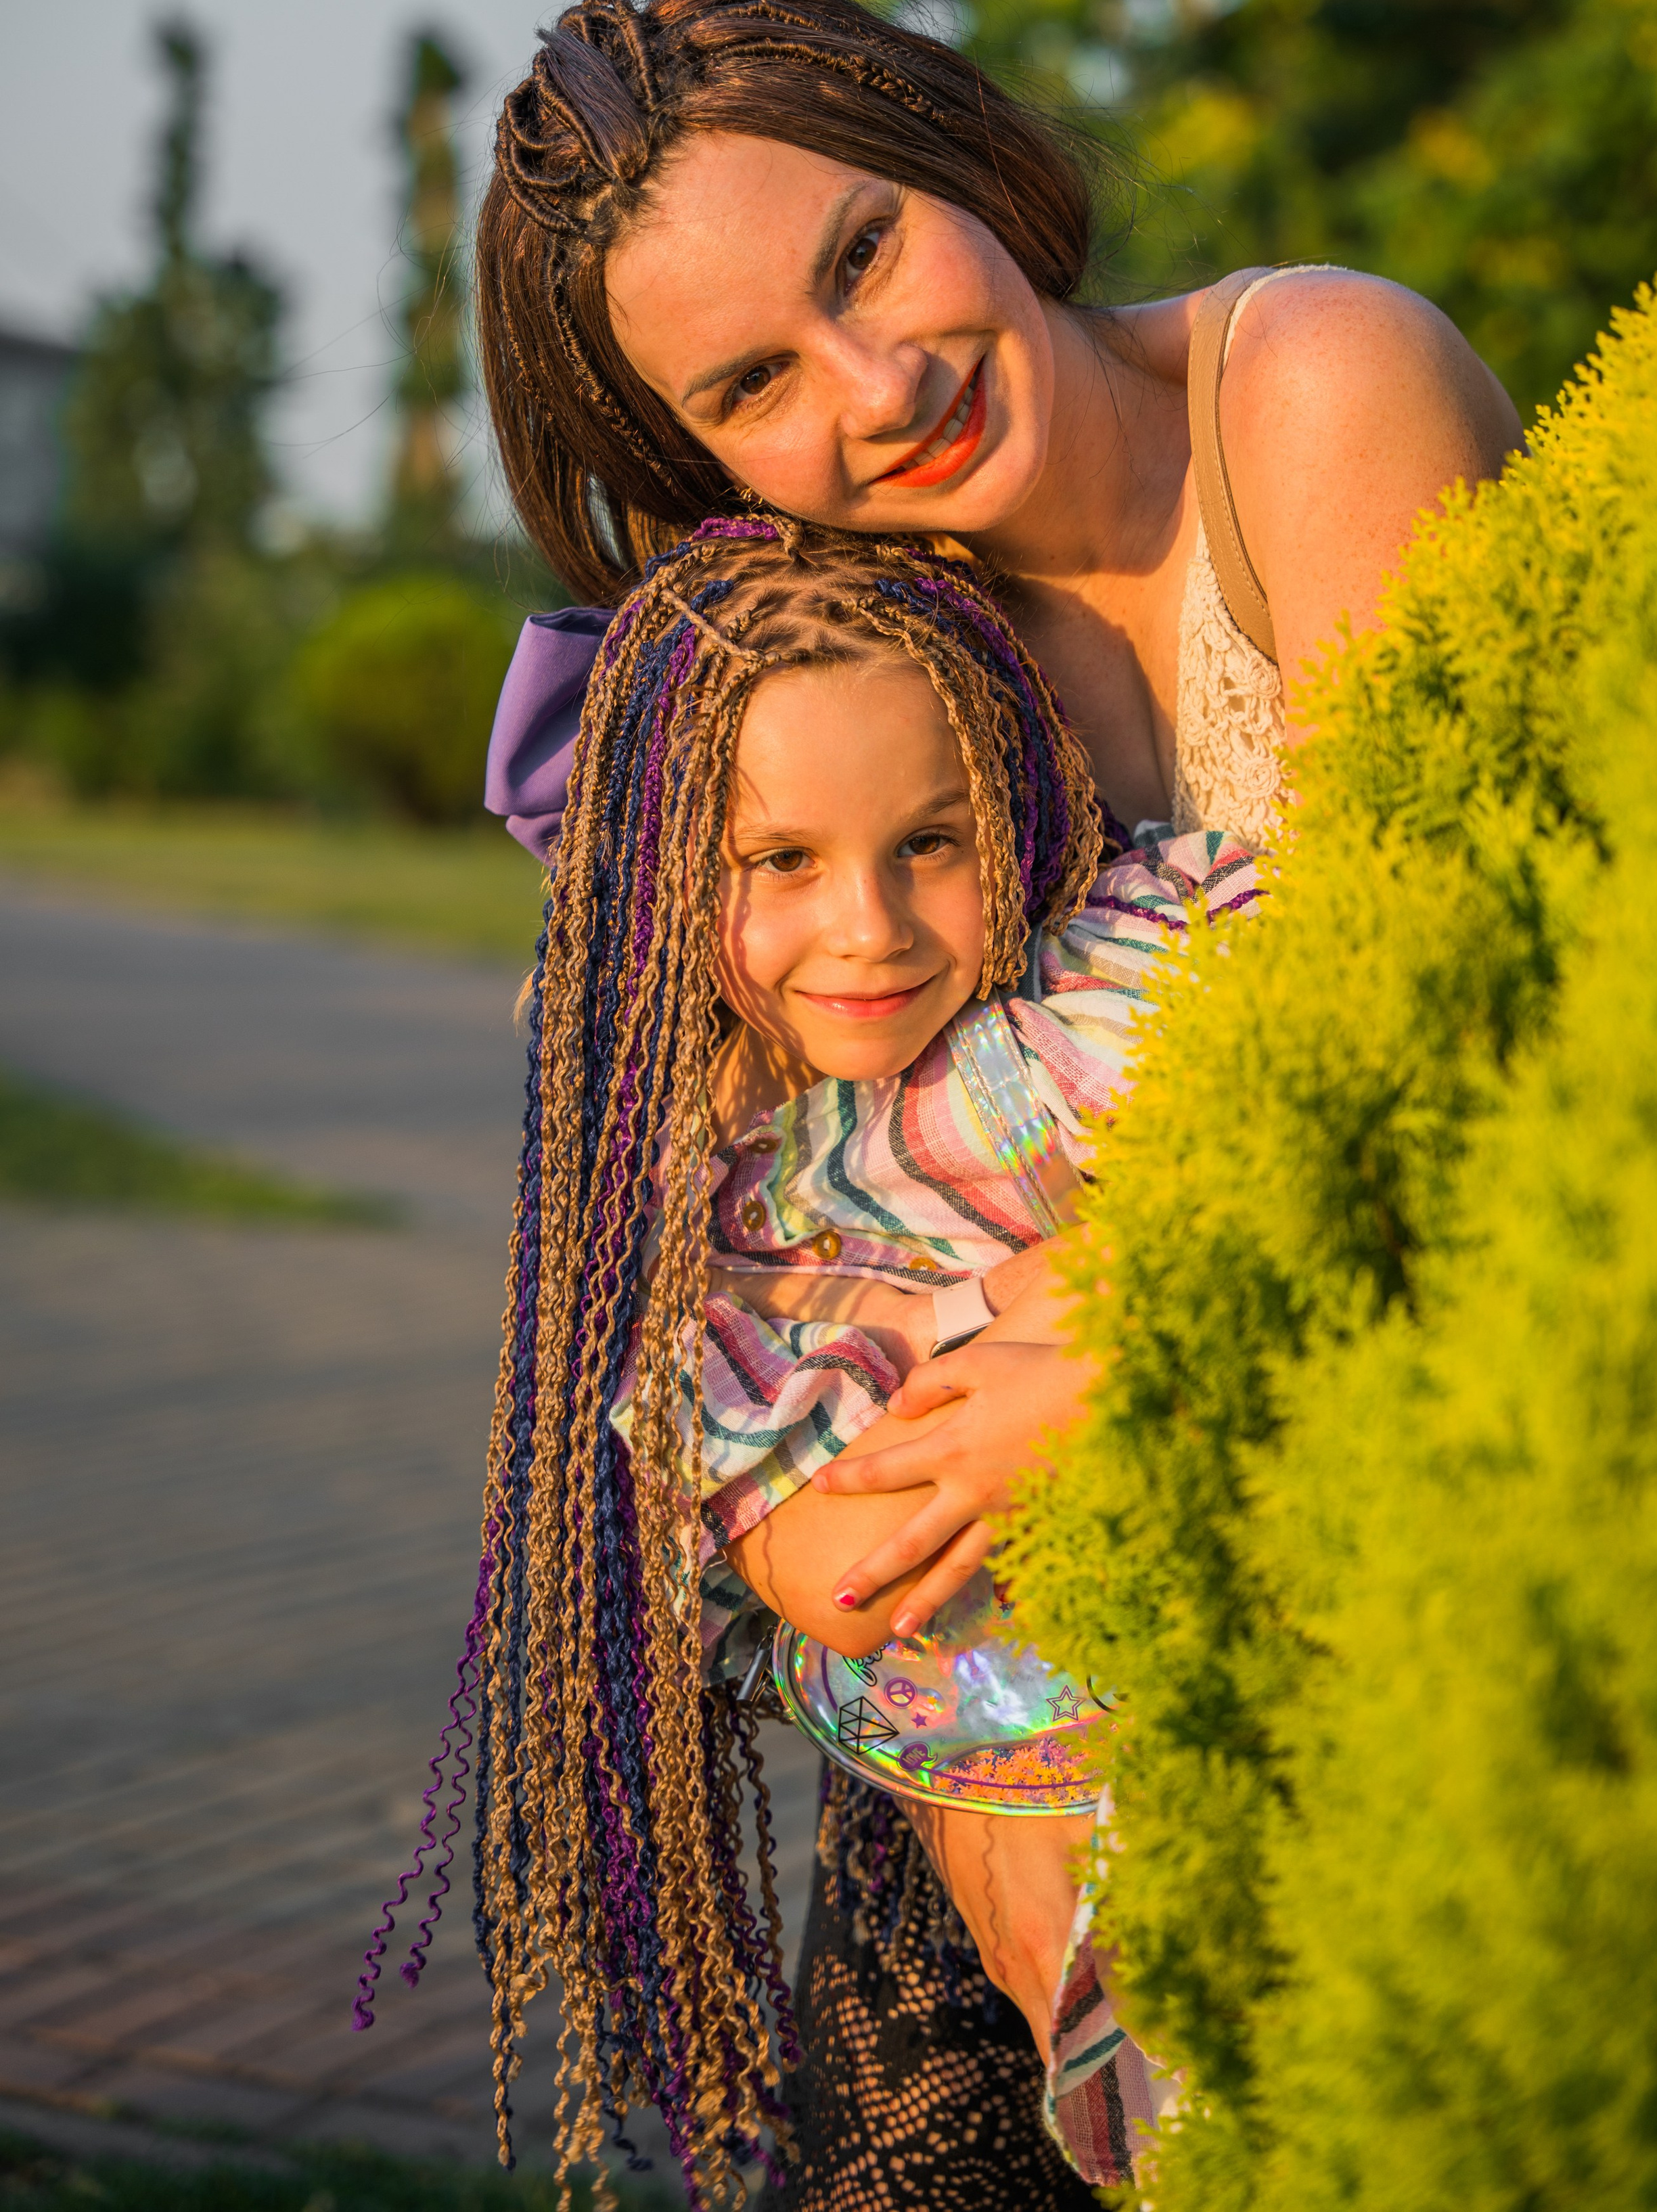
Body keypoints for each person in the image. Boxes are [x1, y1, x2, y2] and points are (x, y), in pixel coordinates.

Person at [472, 0, 1522, 2204]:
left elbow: (1419, 1018)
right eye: (757, 383)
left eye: (867, 253)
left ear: (954, 152)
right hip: (1027, 1626)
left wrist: (1109, 1342)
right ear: (707, 467)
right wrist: (768, 1496)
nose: (878, 383)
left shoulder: (1312, 388)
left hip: (1391, 1502)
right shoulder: (890, 653)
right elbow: (745, 1162)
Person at [364, 518, 1257, 2205]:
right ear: (656, 871)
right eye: (775, 861)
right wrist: (1082, 1289)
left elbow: (1325, 1128)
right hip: (1068, 1823)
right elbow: (853, 1566)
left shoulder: (1142, 948)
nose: (869, 928)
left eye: (930, 841)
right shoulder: (714, 1244)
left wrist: (1091, 1318)